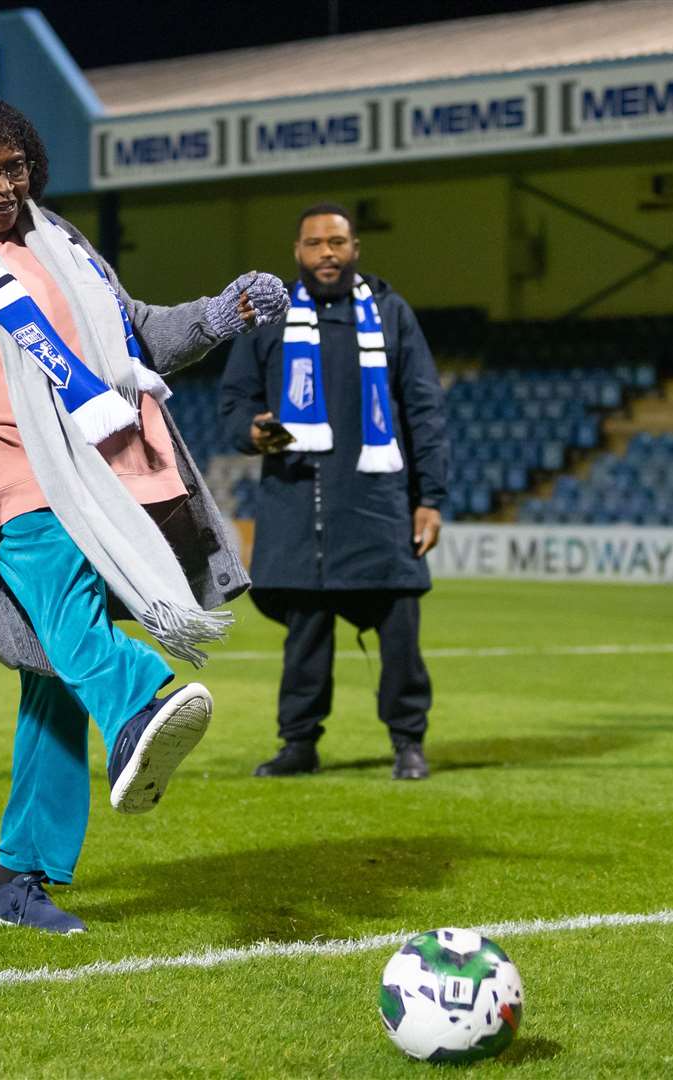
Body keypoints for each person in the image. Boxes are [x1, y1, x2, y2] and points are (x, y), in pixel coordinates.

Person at [0, 96, 288, 933]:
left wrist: (220, 315)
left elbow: (139, 334)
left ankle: (17, 880)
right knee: (64, 607)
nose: (2, 185)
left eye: (14, 168)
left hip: (98, 476)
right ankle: (141, 700)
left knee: (50, 676)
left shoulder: (59, 240)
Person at [219, 203, 447, 781]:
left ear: (355, 249)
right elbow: (233, 403)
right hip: (298, 502)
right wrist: (251, 431)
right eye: (315, 243)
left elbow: (423, 409)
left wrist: (431, 498)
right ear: (297, 253)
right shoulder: (268, 322)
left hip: (377, 504)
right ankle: (299, 743)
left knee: (399, 631)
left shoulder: (391, 315)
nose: (327, 253)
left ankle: (408, 741)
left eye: (337, 242)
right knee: (306, 638)